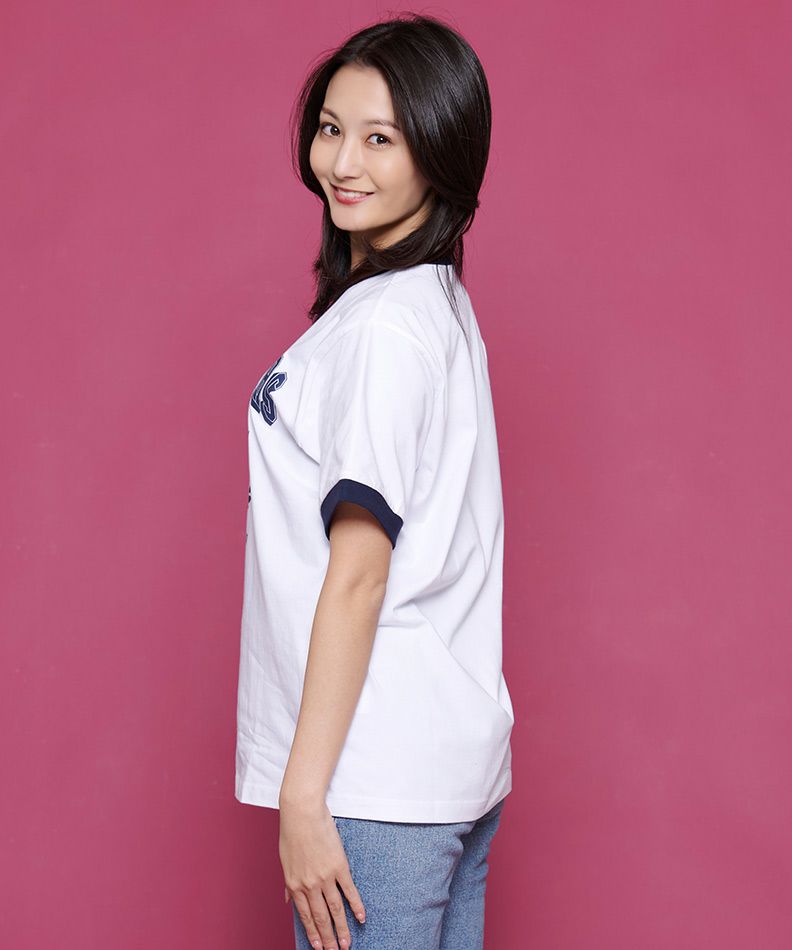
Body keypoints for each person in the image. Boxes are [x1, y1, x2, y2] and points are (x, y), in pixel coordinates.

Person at [235, 13, 515, 950]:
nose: (344, 162)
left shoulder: (385, 329)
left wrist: (304, 795)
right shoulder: (430, 302)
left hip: (374, 777)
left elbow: (360, 572)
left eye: (381, 139)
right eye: (330, 129)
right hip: (439, 763)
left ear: (441, 151)